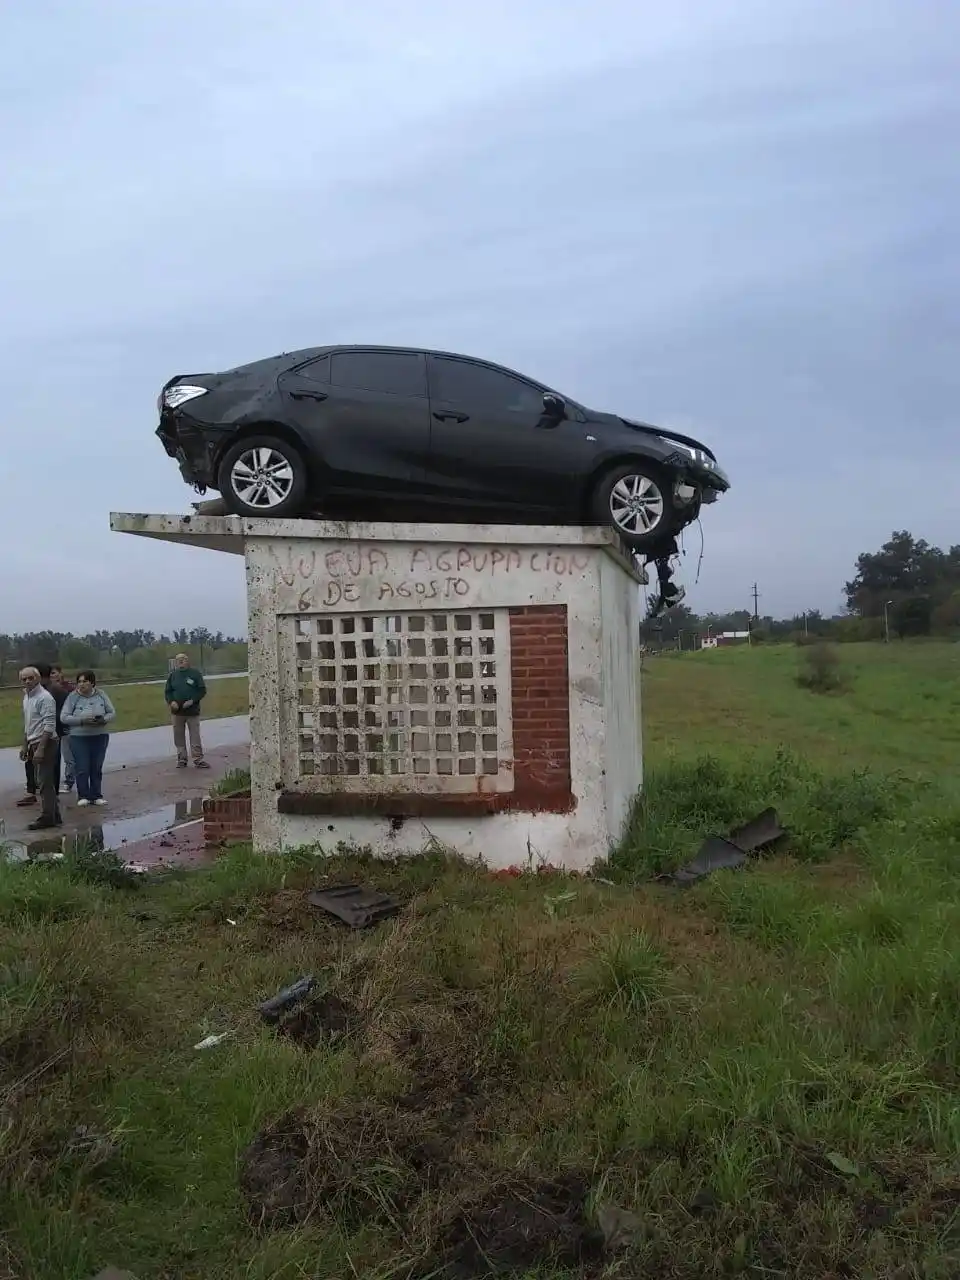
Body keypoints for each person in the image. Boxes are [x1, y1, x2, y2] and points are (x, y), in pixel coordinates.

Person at [61, 671, 116, 807]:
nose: (82, 684)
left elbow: (112, 712)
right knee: (82, 767)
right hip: (79, 737)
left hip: (99, 735)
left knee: (96, 767)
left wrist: (104, 719)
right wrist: (81, 720)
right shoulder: (72, 697)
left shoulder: (101, 694)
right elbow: (64, 717)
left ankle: (96, 795)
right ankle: (83, 795)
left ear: (92, 682)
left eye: (85, 681)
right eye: (79, 681)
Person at [19, 666, 61, 830]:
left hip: (46, 741)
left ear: (38, 678)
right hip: (33, 740)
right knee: (43, 781)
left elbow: (49, 725)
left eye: (31, 678)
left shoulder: (45, 698)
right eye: (24, 679)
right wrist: (25, 744)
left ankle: (47, 817)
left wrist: (41, 748)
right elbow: (29, 723)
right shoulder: (27, 697)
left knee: (44, 782)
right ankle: (54, 815)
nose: (28, 681)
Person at [164, 653, 209, 769]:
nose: (180, 662)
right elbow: (168, 691)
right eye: (178, 660)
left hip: (192, 711)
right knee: (178, 736)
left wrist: (192, 700)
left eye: (182, 660)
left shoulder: (195, 674)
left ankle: (198, 759)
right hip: (177, 712)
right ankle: (182, 759)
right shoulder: (173, 675)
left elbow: (202, 690)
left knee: (194, 736)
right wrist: (171, 702)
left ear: (187, 661)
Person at [36, 663, 68, 795]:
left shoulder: (56, 691)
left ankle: (52, 791)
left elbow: (63, 712)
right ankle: (42, 788)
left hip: (53, 731)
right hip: (39, 731)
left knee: (53, 762)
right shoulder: (36, 691)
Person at [50, 665, 77, 792]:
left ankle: (69, 782)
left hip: (66, 727)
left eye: (54, 673)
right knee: (54, 757)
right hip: (53, 728)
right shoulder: (47, 690)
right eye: (50, 674)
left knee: (68, 757)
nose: (52, 676)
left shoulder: (69, 689)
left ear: (60, 673)